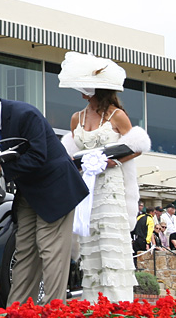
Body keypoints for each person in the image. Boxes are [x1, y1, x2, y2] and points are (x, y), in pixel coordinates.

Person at [0, 87, 88, 306]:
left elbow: (38, 156)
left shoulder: (26, 114)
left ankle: (53, 313)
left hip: (55, 190)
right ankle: (17, 312)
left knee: (51, 250)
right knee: (25, 250)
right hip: (29, 192)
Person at [57, 51, 149, 302]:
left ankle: (117, 302)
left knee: (110, 239)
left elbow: (136, 146)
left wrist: (112, 161)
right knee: (90, 239)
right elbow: (73, 153)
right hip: (87, 185)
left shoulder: (116, 115)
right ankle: (92, 300)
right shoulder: (77, 117)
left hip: (110, 185)